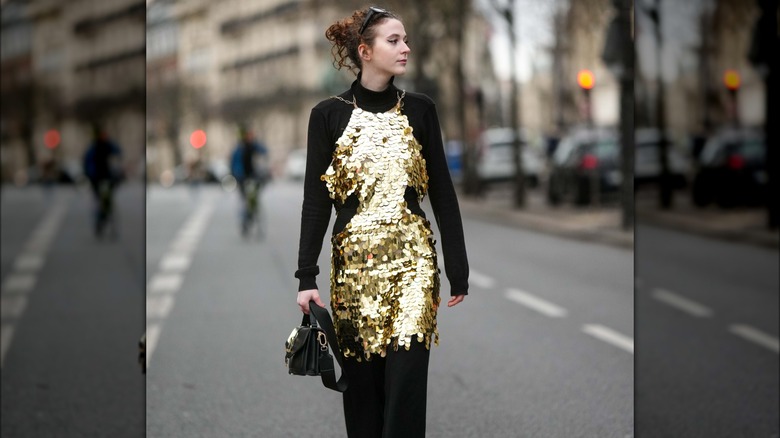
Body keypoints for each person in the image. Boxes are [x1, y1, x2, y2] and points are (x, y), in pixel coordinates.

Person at [295, 7, 469, 437]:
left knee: (407, 386)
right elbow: (315, 201)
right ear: (365, 51)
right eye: (394, 41)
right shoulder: (327, 115)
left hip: (414, 267)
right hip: (354, 272)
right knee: (364, 396)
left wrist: (457, 269)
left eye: (406, 39)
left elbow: (443, 193)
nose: (405, 48)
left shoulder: (421, 110)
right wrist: (306, 276)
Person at [83, 124, 122, 235]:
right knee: (101, 201)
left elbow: (118, 151)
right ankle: (100, 219)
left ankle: (103, 217)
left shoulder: (108, 146)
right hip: (98, 179)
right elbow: (88, 164)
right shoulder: (94, 148)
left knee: (107, 201)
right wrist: (92, 176)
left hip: (107, 178)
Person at [230, 126, 270, 233]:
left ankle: (252, 215)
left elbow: (265, 152)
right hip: (243, 178)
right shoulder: (239, 149)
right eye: (248, 135)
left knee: (254, 199)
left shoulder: (255, 147)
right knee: (244, 201)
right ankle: (245, 219)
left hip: (254, 177)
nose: (250, 137)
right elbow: (234, 164)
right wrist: (238, 175)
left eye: (251, 135)